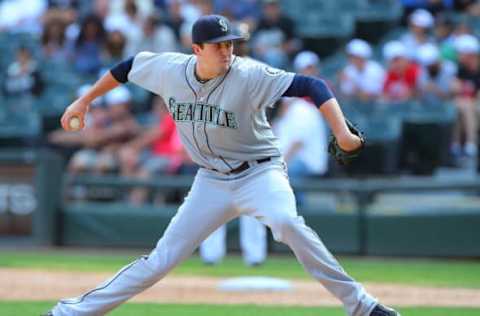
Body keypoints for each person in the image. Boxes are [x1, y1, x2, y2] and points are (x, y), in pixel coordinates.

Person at [44, 14, 399, 316]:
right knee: (161, 260)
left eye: (230, 44)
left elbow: (312, 84)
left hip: (260, 172)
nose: (227, 51)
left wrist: (341, 130)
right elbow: (126, 67)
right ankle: (70, 311)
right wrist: (84, 101)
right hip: (210, 181)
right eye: (219, 45)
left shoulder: (250, 74)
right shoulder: (169, 69)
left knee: (288, 222)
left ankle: (363, 306)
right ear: (196, 49)